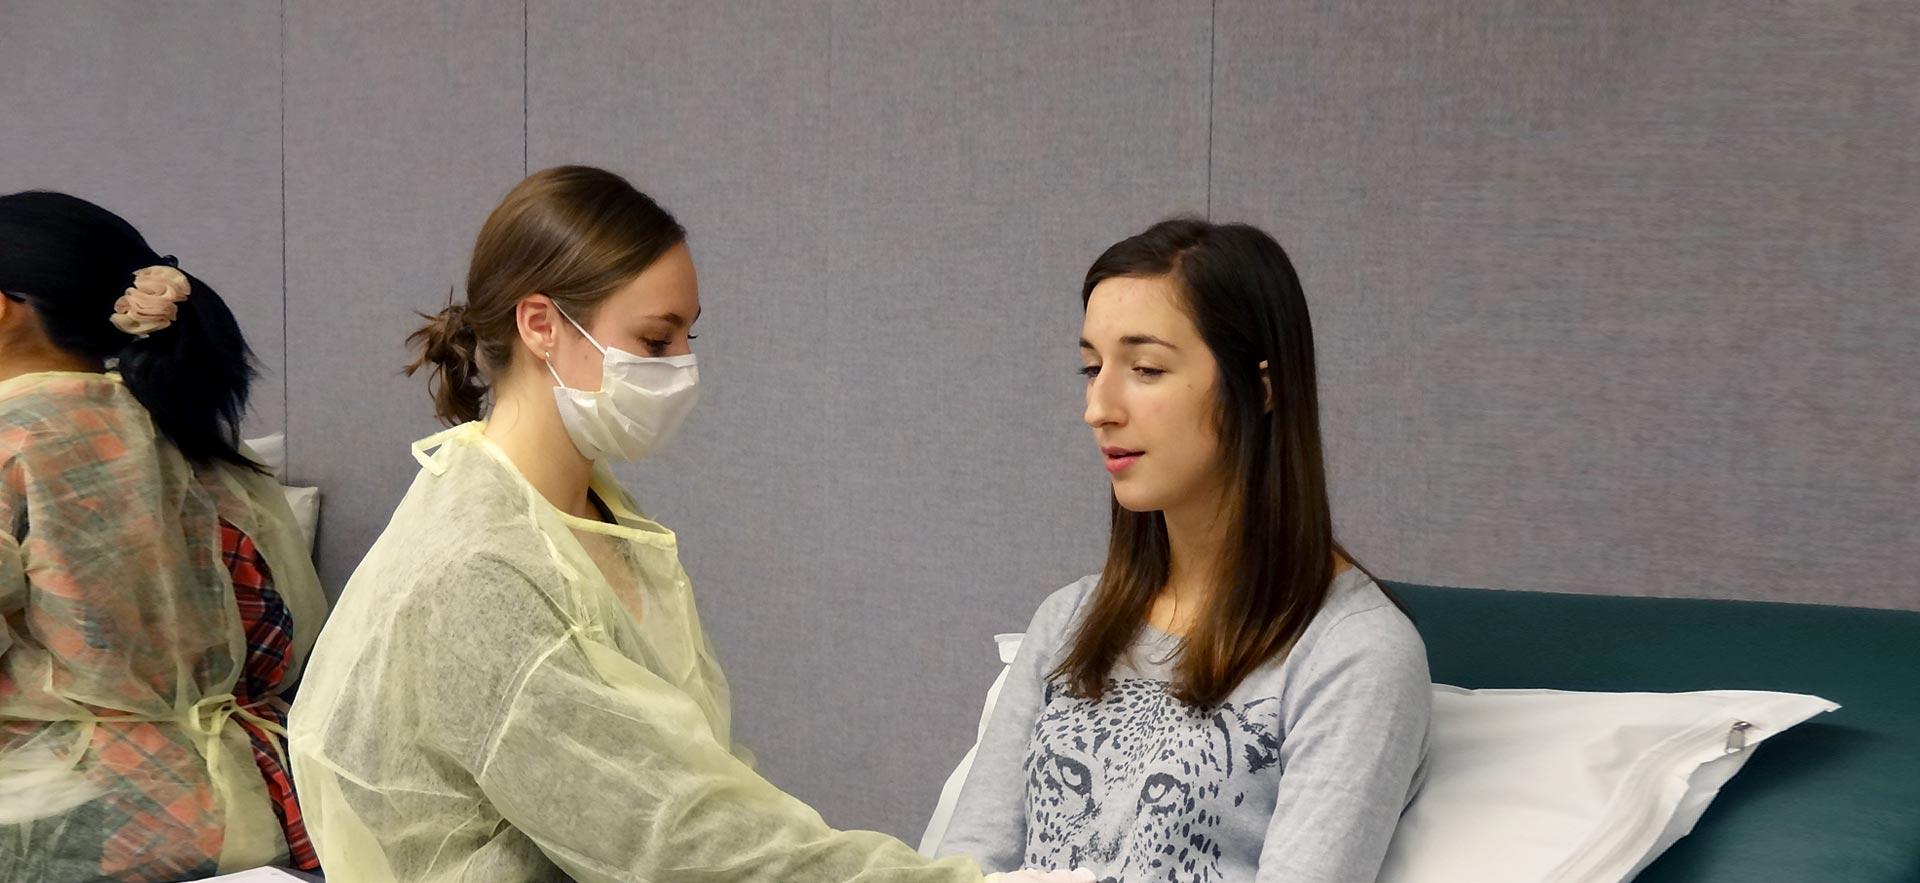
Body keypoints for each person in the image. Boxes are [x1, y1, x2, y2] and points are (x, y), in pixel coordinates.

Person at [287, 165, 1089, 883]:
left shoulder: (594, 516)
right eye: (655, 338)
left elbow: (695, 786)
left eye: (686, 336)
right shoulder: (480, 568)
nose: (680, 367)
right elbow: (668, 834)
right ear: (541, 325)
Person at [937, 218, 1432, 882]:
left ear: (1259, 388)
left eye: (1145, 368)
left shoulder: (1353, 654)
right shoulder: (1068, 621)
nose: (1099, 406)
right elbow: (962, 865)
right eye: (1092, 367)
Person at [0, 191, 329, 881]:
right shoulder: (202, 443)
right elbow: (286, 648)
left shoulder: (12, 441)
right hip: (248, 813)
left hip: (59, 834)